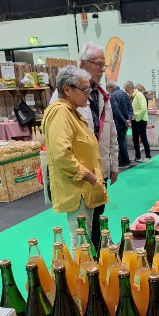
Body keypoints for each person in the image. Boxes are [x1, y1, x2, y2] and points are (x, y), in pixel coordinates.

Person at [50, 42, 118, 251]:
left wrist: (111, 163)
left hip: (96, 171)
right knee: (80, 235)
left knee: (93, 222)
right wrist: (87, 174)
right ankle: (86, 265)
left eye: (104, 65)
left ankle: (96, 257)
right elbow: (60, 151)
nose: (101, 69)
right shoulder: (61, 108)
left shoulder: (99, 96)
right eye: (97, 63)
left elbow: (109, 131)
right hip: (80, 178)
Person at [42, 66, 108, 254]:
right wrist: (89, 176)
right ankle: (82, 272)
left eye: (89, 89)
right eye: (84, 89)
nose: (89, 95)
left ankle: (85, 269)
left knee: (84, 237)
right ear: (67, 89)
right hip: (76, 189)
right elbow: (61, 153)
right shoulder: (61, 112)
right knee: (80, 240)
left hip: (83, 189)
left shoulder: (71, 111)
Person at [123, 81, 151, 163]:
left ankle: (148, 156)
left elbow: (143, 108)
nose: (126, 92)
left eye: (126, 90)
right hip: (135, 120)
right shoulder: (133, 96)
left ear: (130, 88)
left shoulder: (139, 95)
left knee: (143, 137)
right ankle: (138, 156)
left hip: (141, 120)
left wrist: (137, 116)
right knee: (135, 139)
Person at [107, 80, 132, 169]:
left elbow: (116, 111)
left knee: (120, 142)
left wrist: (124, 121)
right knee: (123, 141)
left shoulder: (113, 96)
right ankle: (123, 161)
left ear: (110, 87)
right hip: (125, 122)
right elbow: (130, 108)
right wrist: (128, 120)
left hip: (118, 123)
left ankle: (125, 162)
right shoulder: (125, 94)